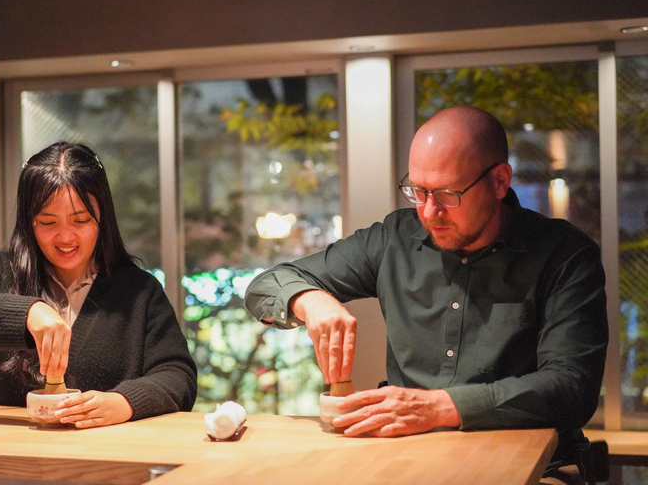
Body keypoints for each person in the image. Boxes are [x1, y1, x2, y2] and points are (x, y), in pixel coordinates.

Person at [245, 106, 607, 477]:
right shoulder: (394, 239)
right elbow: (264, 286)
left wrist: (440, 407)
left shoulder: (563, 254)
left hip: (528, 464)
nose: (429, 212)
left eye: (448, 194)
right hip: (408, 461)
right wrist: (310, 299)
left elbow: (571, 387)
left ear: (499, 181)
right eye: (418, 191)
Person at [0, 142, 197, 428]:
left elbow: (177, 373)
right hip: (1, 460)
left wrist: (126, 402)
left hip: (100, 460)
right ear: (29, 223)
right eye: (48, 223)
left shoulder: (138, 292)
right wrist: (26, 314)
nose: (66, 237)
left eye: (81, 220)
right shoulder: (0, 272)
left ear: (102, 220)